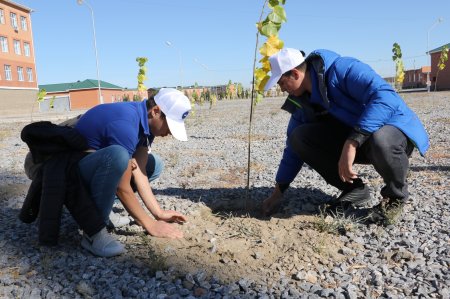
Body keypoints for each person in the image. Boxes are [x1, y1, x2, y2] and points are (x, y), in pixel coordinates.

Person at [262, 48, 429, 225]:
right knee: (299, 137)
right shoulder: (303, 100)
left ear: (295, 74)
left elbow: (386, 98)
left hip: (394, 131)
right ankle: (353, 189)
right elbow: (293, 148)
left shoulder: (343, 69)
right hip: (361, 141)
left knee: (381, 139)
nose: (282, 89)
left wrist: (352, 142)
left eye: (281, 83)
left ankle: (394, 198)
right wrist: (278, 191)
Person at [75, 88, 191, 255]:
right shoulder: (125, 124)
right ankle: (93, 232)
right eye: (169, 125)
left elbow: (140, 171)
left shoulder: (145, 123)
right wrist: (150, 224)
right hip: (72, 173)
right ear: (156, 111)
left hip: (95, 168)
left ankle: (105, 210)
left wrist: (158, 213)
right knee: (119, 157)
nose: (170, 133)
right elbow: (122, 187)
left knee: (154, 165)